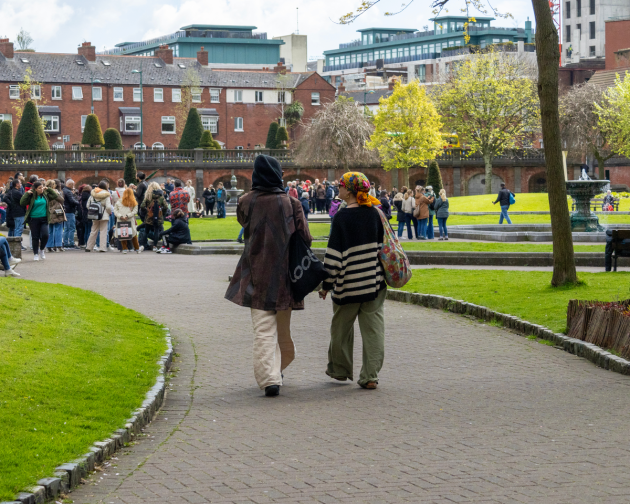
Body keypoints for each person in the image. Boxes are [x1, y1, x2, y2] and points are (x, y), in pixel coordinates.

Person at [225, 154, 312, 397]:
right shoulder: (291, 203)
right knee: (282, 328)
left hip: (256, 271)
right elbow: (306, 237)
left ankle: (270, 378)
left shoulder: (245, 201)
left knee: (263, 328)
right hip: (285, 274)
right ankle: (277, 370)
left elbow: (244, 225)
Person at [320, 172, 386, 390]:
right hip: (374, 283)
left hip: (348, 286)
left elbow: (334, 257)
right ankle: (370, 376)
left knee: (340, 329)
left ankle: (340, 369)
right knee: (374, 331)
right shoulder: (376, 213)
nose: (337, 188)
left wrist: (326, 285)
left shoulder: (341, 218)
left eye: (340, 185)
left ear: (349, 190)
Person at [20, 181, 63, 261]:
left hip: (44, 218)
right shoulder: (31, 196)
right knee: (35, 237)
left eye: (42, 187)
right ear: (35, 189)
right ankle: (36, 254)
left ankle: (42, 249)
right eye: (39, 188)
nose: (41, 189)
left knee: (45, 235)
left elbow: (55, 195)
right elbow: (22, 202)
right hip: (33, 219)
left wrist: (49, 189)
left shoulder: (45, 195)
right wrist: (27, 194)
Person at [85, 181, 114, 253]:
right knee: (103, 231)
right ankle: (102, 247)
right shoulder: (106, 195)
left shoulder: (93, 194)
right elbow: (108, 207)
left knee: (93, 231)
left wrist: (93, 211)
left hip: (94, 215)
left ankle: (89, 247)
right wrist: (109, 212)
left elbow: (87, 205)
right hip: (104, 215)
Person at [113, 187, 143, 254]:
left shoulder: (119, 201)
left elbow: (115, 210)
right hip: (129, 219)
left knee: (123, 234)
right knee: (133, 234)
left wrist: (120, 216)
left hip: (121, 219)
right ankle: (137, 248)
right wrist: (128, 216)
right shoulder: (134, 202)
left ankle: (125, 248)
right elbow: (135, 211)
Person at [141, 182, 169, 251]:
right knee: (157, 231)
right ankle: (154, 246)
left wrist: (146, 212)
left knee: (146, 231)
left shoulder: (148, 196)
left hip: (149, 216)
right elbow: (166, 206)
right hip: (158, 216)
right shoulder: (161, 196)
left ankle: (143, 245)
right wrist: (162, 213)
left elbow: (142, 206)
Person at [45, 179, 66, 252]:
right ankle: (58, 245)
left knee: (50, 230)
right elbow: (61, 199)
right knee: (58, 229)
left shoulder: (44, 193)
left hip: (48, 211)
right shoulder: (55, 192)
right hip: (57, 211)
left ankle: (49, 246)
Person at [62, 178, 80, 250]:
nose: (73, 186)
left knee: (66, 228)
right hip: (70, 211)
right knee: (72, 228)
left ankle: (66, 243)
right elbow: (72, 201)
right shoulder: (68, 192)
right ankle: (71, 243)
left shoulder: (63, 190)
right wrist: (78, 202)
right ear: (69, 184)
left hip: (65, 211)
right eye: (73, 184)